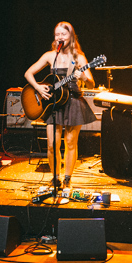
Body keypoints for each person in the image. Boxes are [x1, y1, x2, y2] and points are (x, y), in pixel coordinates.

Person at [25, 21, 97, 188]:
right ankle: (55, 177)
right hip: (54, 103)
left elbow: (92, 84)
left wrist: (84, 78)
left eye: (63, 34)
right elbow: (28, 73)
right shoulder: (50, 56)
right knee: (51, 144)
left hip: (73, 101)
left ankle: (67, 179)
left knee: (70, 142)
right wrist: (37, 87)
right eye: (57, 34)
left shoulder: (79, 57)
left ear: (70, 36)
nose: (59, 37)